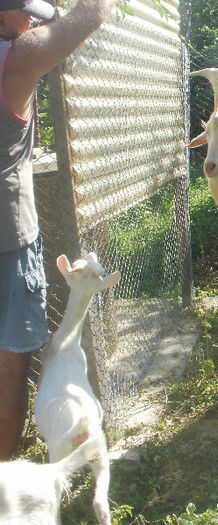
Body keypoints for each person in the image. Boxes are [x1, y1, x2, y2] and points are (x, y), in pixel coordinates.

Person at [0, 0, 115, 460]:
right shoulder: (17, 57)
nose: (37, 24)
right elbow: (91, 15)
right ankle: (5, 478)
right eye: (31, 15)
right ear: (6, 18)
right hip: (7, 239)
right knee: (10, 369)